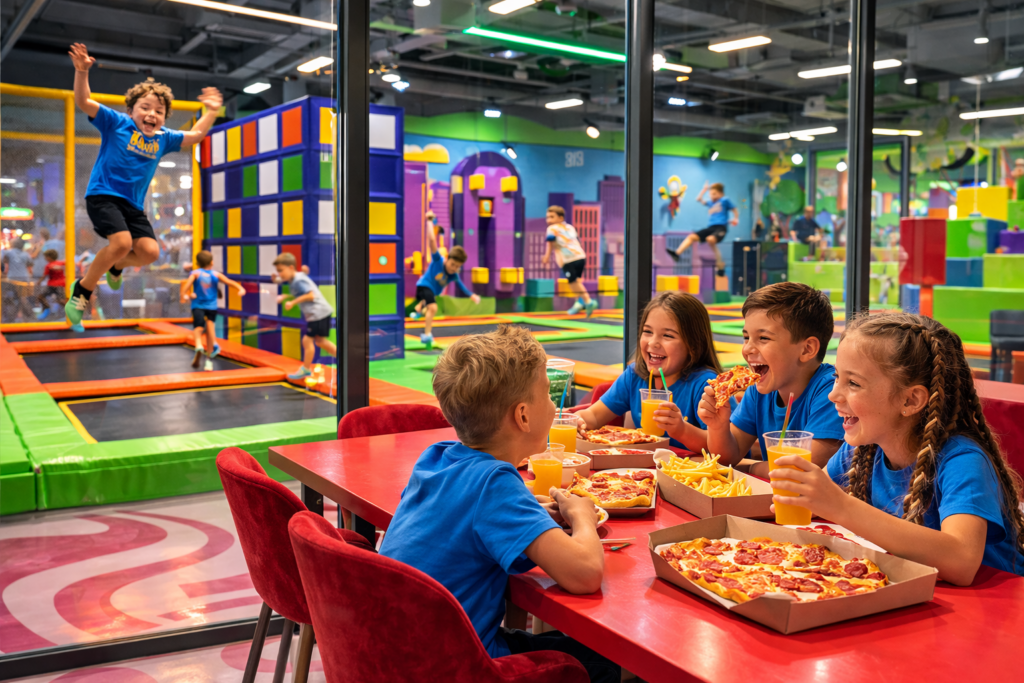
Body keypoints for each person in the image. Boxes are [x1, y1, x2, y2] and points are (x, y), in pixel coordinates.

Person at [379, 325, 618, 682]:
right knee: (607, 664)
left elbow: (461, 520)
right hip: (456, 667)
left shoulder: (435, 457)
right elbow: (585, 575)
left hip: (398, 656)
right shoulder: (495, 484)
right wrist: (582, 516)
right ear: (523, 416)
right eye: (547, 394)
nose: (554, 404)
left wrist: (532, 513)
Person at [769, 313, 1024, 582]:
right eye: (837, 377)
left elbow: (962, 561)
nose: (833, 394)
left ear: (910, 400)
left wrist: (841, 506)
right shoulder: (860, 451)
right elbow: (814, 503)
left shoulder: (963, 461)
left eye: (853, 383)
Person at [64, 42, 222, 327]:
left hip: (133, 206)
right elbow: (84, 102)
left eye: (159, 111)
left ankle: (117, 266)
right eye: (145, 108)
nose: (151, 114)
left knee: (150, 252)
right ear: (131, 110)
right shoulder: (116, 123)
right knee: (122, 242)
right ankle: (82, 290)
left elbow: (195, 135)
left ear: (164, 118)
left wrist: (210, 111)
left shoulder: (164, 138)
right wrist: (82, 72)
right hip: (103, 195)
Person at [699, 281, 845, 477]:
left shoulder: (831, 391)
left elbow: (804, 468)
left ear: (807, 349)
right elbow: (726, 457)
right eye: (746, 337)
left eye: (763, 338)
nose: (747, 349)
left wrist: (748, 468)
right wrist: (717, 426)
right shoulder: (758, 390)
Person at [574, 292, 726, 453]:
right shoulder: (634, 376)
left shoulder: (707, 385)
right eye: (647, 332)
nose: (653, 343)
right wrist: (578, 420)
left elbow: (725, 447)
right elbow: (594, 415)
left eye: (667, 335)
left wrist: (682, 430)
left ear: (693, 346)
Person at [409, 226, 480, 347]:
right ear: (447, 259)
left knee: (429, 305)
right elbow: (432, 241)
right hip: (423, 286)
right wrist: (429, 222)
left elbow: (461, 286)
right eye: (452, 264)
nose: (454, 268)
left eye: (457, 266)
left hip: (432, 293)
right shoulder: (438, 261)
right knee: (433, 308)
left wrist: (471, 295)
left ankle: (418, 311)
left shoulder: (453, 275)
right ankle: (427, 335)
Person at [273, 253, 336, 381]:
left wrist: (292, 302)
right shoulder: (295, 277)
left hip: (318, 313)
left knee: (307, 340)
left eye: (281, 270)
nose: (279, 274)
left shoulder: (298, 280)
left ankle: (306, 369)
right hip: (320, 313)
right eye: (278, 271)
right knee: (320, 341)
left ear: (291, 267)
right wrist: (280, 285)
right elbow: (298, 288)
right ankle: (346, 360)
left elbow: (310, 295)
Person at [179, 250, 245, 371]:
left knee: (198, 328)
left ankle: (198, 345)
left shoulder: (195, 273)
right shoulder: (216, 274)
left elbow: (186, 286)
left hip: (198, 305)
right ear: (212, 262)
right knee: (210, 330)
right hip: (211, 307)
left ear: (197, 263)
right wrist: (240, 288)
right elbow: (229, 282)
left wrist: (185, 295)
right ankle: (208, 360)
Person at [667, 181, 738, 275]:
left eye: (714, 194)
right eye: (710, 194)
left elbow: (734, 209)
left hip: (721, 228)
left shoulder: (725, 200)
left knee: (710, 239)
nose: (712, 196)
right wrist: (704, 190)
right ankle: (677, 253)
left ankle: (720, 266)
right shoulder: (711, 203)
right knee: (691, 237)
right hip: (710, 228)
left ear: (721, 193)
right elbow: (698, 199)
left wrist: (736, 218)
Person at [541, 205, 596, 318]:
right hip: (580, 256)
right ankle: (579, 303)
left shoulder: (552, 229)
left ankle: (588, 301)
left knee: (573, 283)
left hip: (569, 259)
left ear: (561, 218)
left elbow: (550, 244)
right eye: (547, 217)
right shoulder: (570, 227)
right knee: (577, 282)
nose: (549, 220)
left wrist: (546, 257)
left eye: (552, 217)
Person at [1, 239, 35, 322]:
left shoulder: (8, 252)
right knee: (22, 298)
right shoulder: (25, 254)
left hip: (12, 279)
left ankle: (12, 318)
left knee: (12, 298)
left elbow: (2, 260)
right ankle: (28, 317)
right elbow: (30, 264)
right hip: (24, 278)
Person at [35, 249, 67, 320]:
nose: (45, 258)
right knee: (41, 296)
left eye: (46, 257)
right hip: (53, 285)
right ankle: (47, 309)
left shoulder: (50, 265)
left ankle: (69, 311)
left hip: (58, 285)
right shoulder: (59, 263)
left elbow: (44, 276)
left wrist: (39, 282)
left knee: (60, 300)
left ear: (49, 257)